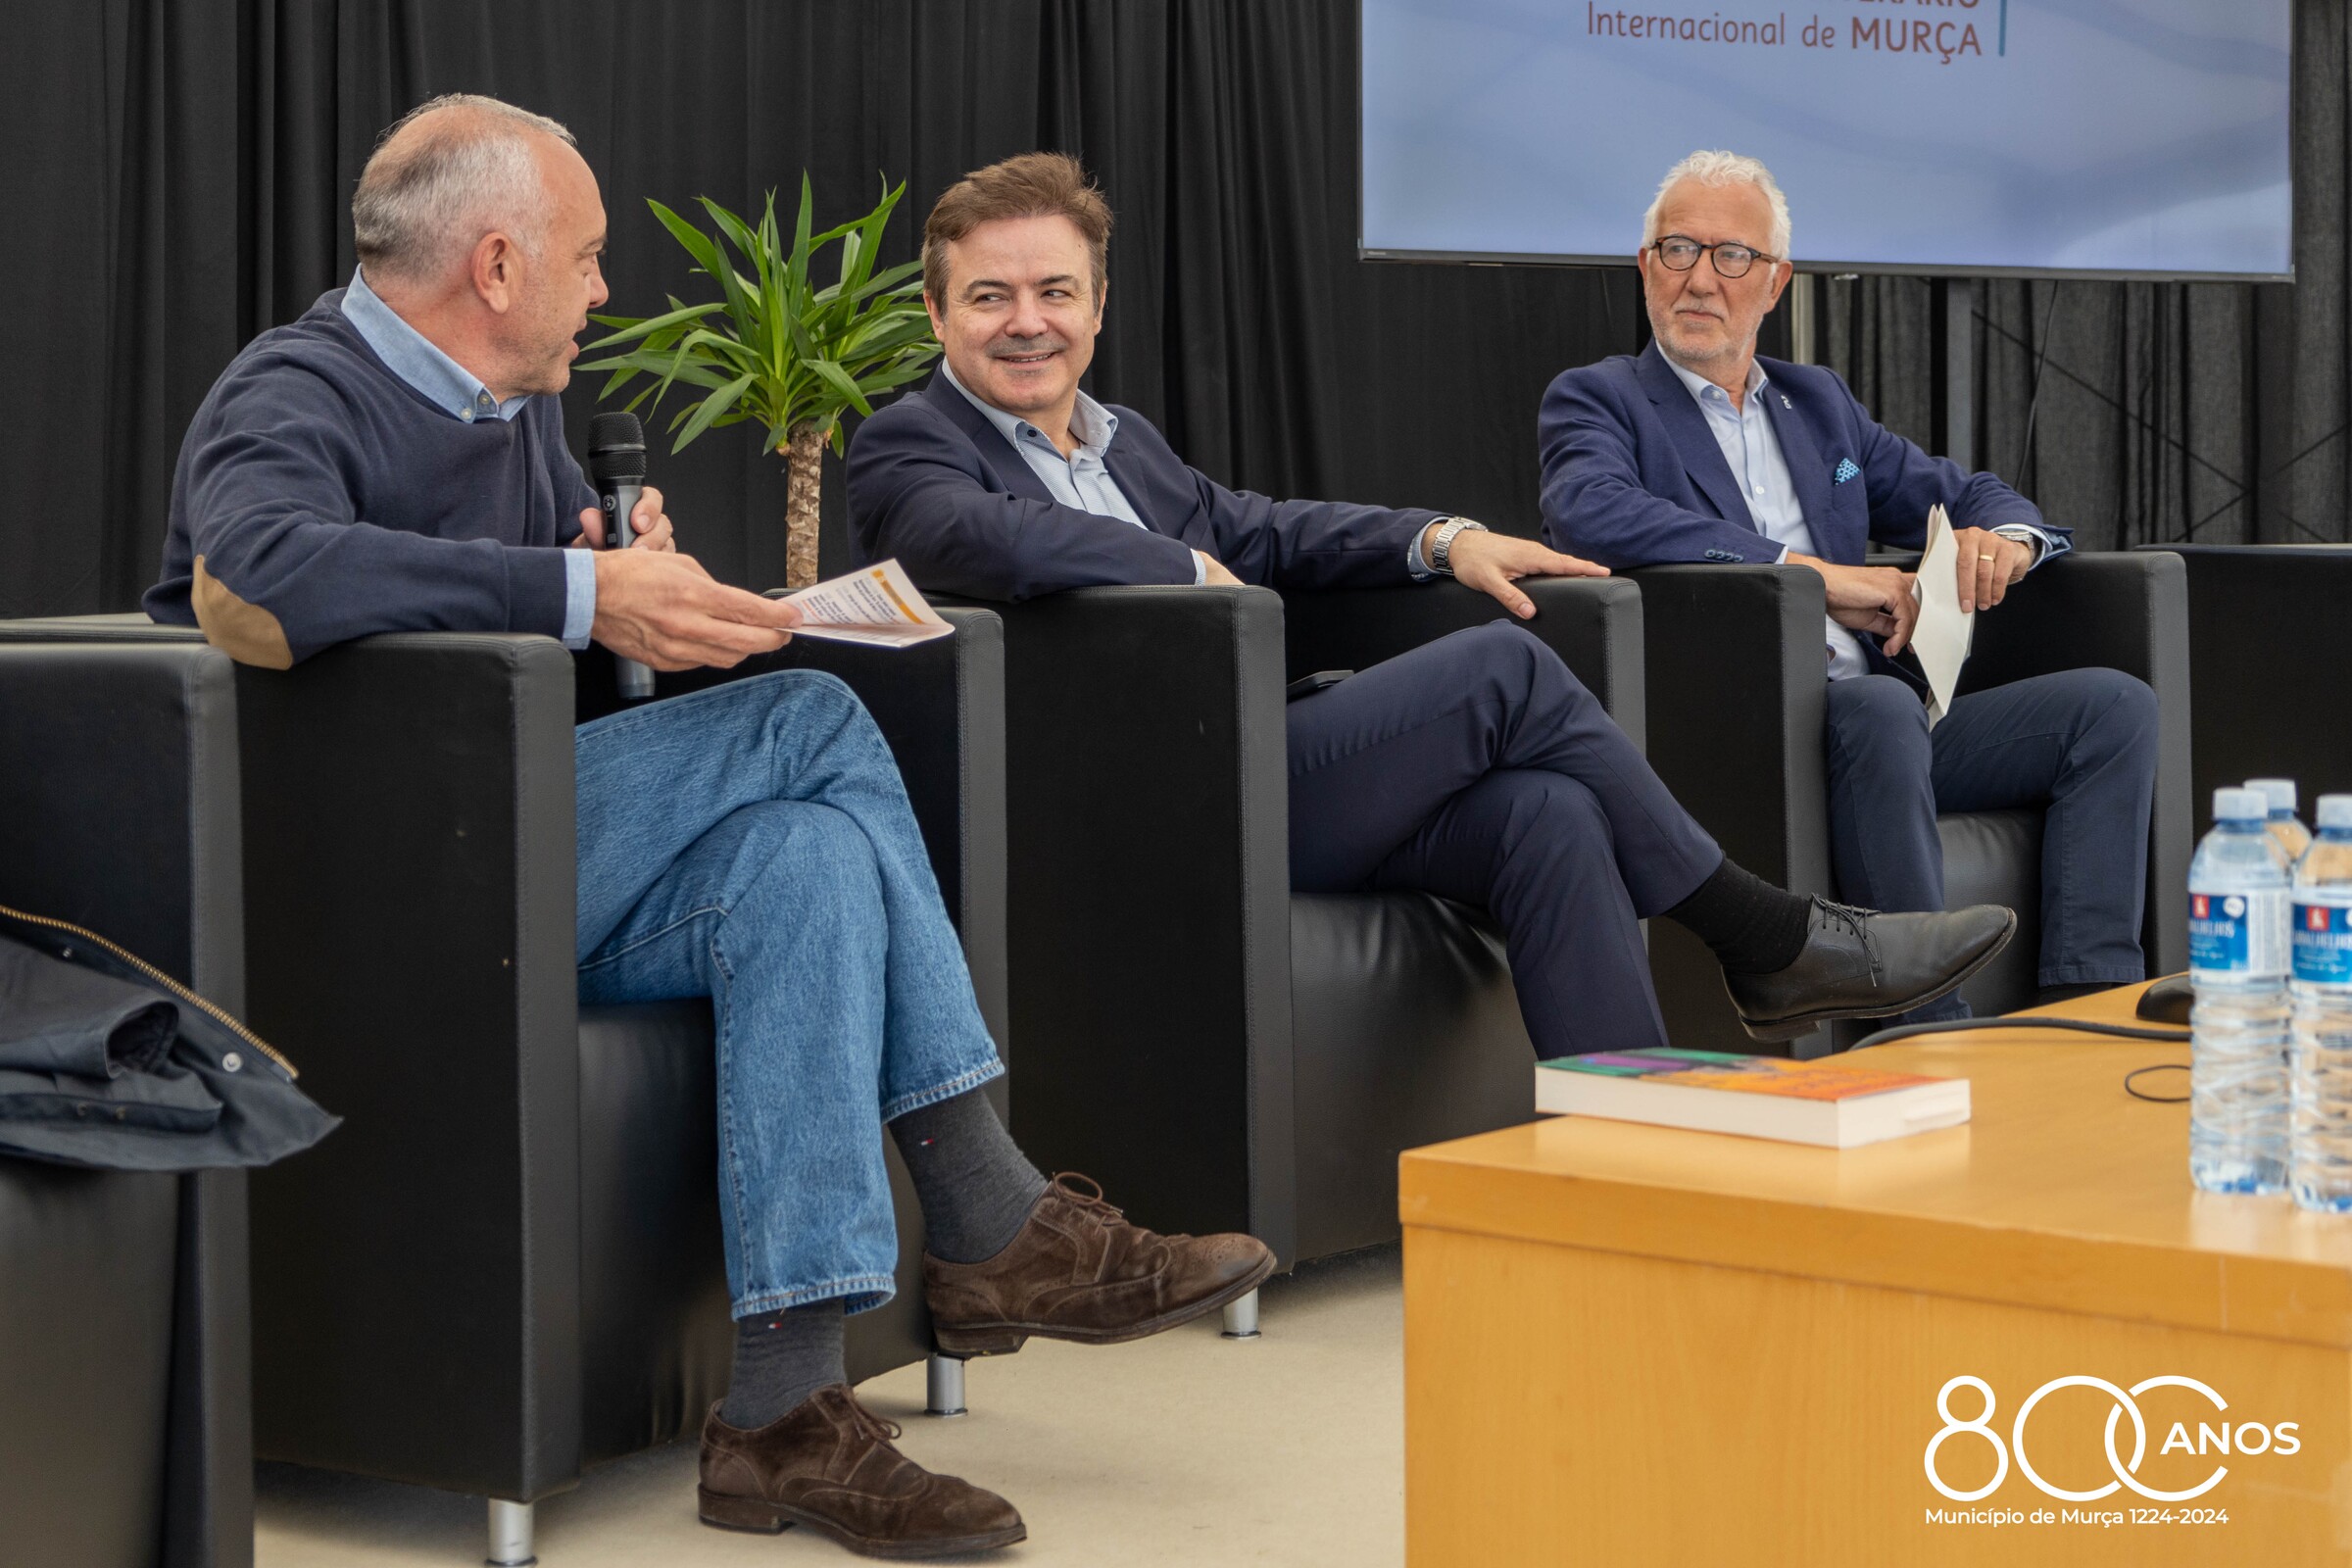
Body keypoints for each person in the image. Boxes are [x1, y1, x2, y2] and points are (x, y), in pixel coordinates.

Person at [145, 95, 1277, 1560]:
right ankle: (987, 1208)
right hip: (374, 888)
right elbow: (259, 571)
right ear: (497, 265)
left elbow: (514, 647)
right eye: (587, 257)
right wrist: (579, 594)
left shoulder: (517, 416)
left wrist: (618, 570)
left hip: (520, 848)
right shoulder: (297, 387)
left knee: (804, 861)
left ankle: (781, 1413)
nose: (604, 289)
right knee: (807, 722)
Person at [847, 152, 2015, 1060]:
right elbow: (970, 535)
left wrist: (1444, 539)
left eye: (1054, 291)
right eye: (991, 296)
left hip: (1250, 762)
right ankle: (1764, 935)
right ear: (940, 316)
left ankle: (1631, 1149)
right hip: (1135, 799)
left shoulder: (1125, 444)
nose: (1028, 321)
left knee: (1548, 810)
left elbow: (1265, 528)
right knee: (1505, 669)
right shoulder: (911, 442)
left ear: (1098, 307)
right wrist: (1172, 565)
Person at [1537, 150, 2160, 1018]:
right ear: (1646, 267)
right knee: (1879, 707)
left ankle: (2088, 1006)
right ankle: (1930, 1033)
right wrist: (1813, 578)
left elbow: (1969, 492)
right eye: (1678, 250)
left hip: (1881, 727)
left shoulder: (1818, 404)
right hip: (1736, 731)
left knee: (2112, 710)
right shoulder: (1600, 399)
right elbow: (1591, 513)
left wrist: (2008, 543)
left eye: (1732, 256)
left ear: (1776, 282)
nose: (1701, 279)